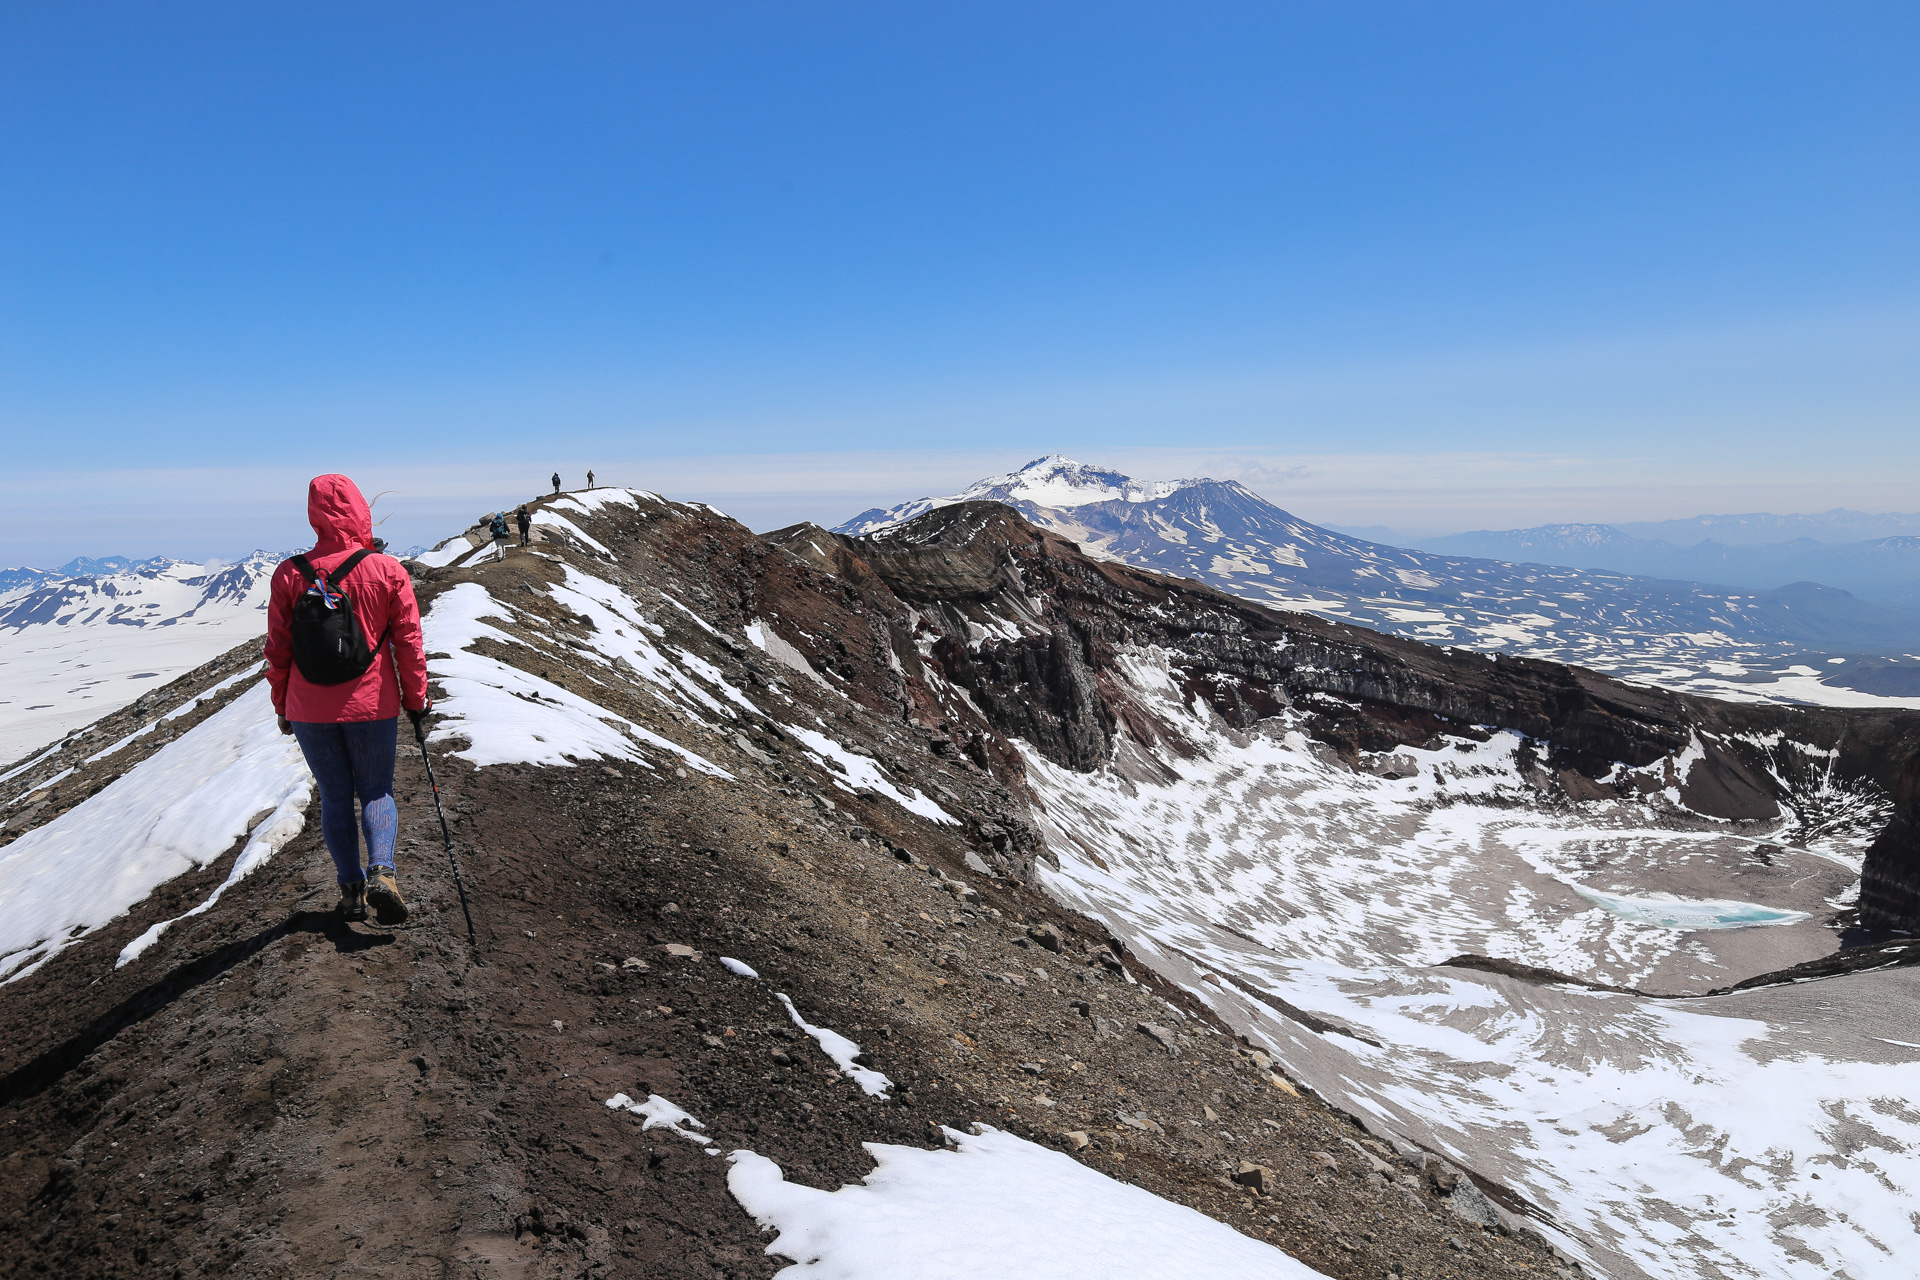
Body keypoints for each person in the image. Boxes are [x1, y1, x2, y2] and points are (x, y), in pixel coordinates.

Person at [266, 475, 431, 926]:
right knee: (376, 789)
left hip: (308, 707)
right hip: (371, 703)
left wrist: (283, 705)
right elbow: (408, 642)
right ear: (362, 511)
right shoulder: (386, 569)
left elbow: (278, 649)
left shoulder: (289, 573)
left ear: (313, 514)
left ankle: (350, 891)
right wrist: (417, 699)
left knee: (335, 797)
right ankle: (384, 872)